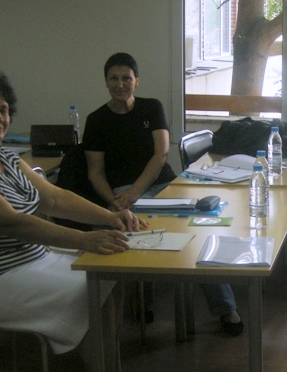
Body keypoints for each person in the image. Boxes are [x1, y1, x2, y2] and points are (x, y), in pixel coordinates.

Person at [0, 71, 144, 371]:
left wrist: (111, 218)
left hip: (33, 258)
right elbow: (11, 223)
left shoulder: (5, 157)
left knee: (108, 274)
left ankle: (104, 363)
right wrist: (84, 239)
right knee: (92, 288)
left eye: (4, 110)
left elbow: (56, 199)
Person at [82, 52, 242, 335]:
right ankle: (143, 304)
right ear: (106, 81)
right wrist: (114, 201)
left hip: (164, 185)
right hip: (121, 193)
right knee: (142, 235)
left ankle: (226, 308)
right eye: (114, 78)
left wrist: (136, 191)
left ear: (137, 81)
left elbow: (161, 154)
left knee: (198, 234)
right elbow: (95, 172)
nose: (120, 84)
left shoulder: (151, 108)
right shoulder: (96, 120)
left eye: (126, 78)